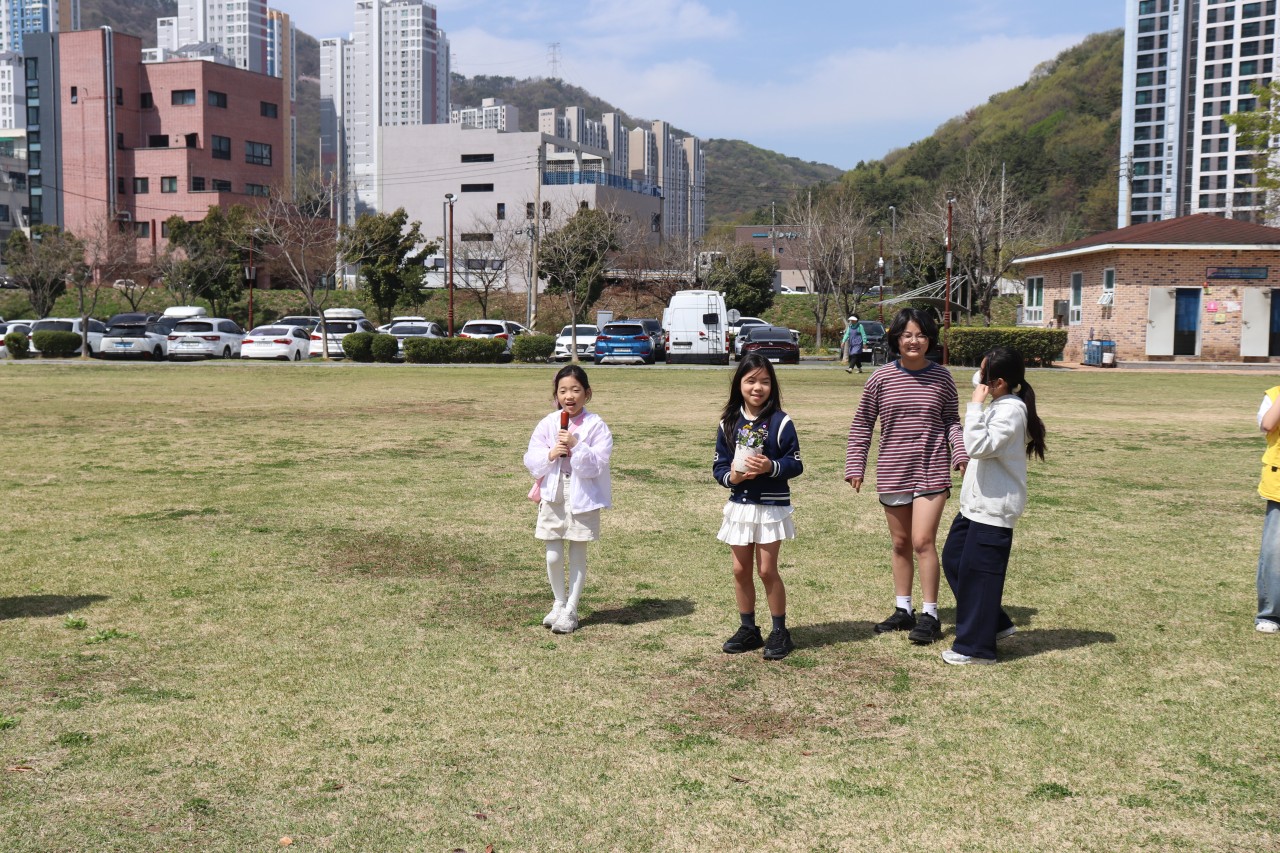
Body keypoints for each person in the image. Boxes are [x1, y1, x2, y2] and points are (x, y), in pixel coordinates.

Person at [845, 308, 968, 645]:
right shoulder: (880, 378)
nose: (914, 341)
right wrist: (855, 465)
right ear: (896, 339)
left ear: (930, 339)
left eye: (921, 335)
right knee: (900, 544)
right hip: (893, 469)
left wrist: (960, 452)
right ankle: (904, 609)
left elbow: (951, 421)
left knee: (922, 541)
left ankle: (930, 614)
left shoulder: (942, 378)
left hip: (931, 468)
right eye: (907, 335)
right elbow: (862, 424)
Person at [938, 348, 1047, 664]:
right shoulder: (1002, 402)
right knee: (955, 560)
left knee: (980, 575)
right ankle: (995, 623)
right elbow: (981, 379)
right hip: (976, 506)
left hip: (994, 508)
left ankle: (976, 648)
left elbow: (977, 446)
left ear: (999, 383)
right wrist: (982, 389)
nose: (978, 378)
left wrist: (974, 406)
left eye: (983, 373)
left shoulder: (1010, 411)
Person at [713, 353, 803, 660]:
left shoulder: (781, 421)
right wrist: (733, 477)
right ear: (739, 383)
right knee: (740, 569)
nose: (757, 387)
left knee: (766, 570)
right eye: (751, 380)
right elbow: (719, 467)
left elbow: (795, 463)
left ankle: (780, 631)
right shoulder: (728, 422)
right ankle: (748, 628)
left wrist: (770, 467)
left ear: (772, 386)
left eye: (765, 381)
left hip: (770, 506)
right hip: (741, 504)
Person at [523, 365, 613, 634]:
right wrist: (551, 454)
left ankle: (571, 608)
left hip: (582, 494)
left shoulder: (596, 425)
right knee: (552, 554)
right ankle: (558, 602)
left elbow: (597, 465)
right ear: (556, 394)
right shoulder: (548, 423)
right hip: (554, 491)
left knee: (577, 552)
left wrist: (576, 445)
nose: (569, 396)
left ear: (587, 393)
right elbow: (532, 459)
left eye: (575, 390)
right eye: (563, 391)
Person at [1254, 384, 1280, 634]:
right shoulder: (1274, 395)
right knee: (1274, 553)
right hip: (1279, 484)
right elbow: (1268, 424)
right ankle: (1270, 613)